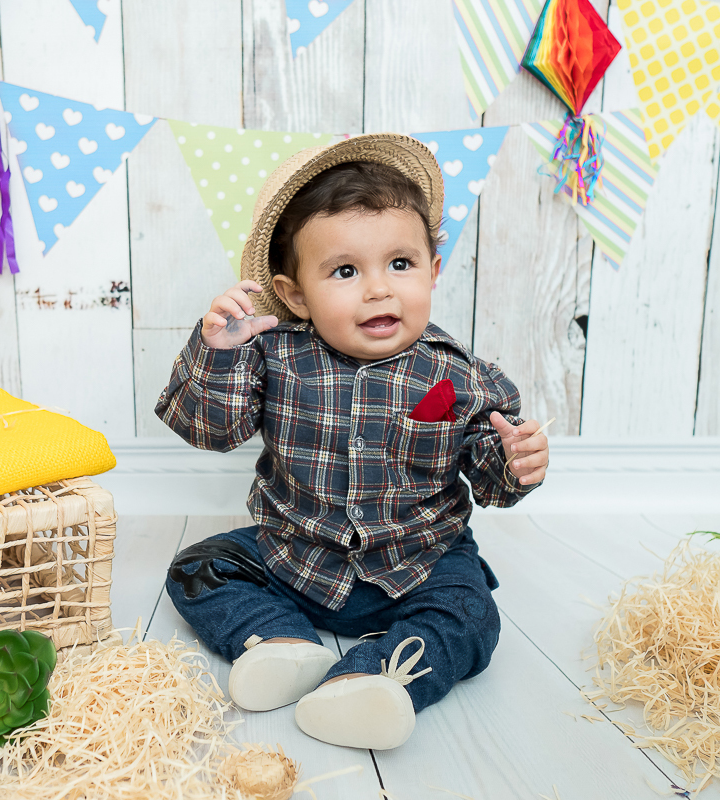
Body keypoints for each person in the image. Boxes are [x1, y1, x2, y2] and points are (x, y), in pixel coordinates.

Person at [155, 133, 549, 751]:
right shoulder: (272, 354)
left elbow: (492, 479)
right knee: (196, 569)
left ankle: (372, 680)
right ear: (294, 295)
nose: (378, 289)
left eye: (400, 263)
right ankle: (282, 642)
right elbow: (211, 429)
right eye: (344, 271)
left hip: (420, 562)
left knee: (473, 617)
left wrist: (516, 462)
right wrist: (218, 354)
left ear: (433, 270)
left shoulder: (459, 373)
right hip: (296, 557)